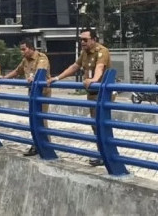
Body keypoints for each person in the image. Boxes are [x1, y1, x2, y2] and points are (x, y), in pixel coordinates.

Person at [47, 28, 111, 167]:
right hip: (92, 94)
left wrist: (93, 79)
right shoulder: (84, 53)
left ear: (94, 40)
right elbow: (74, 67)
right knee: (96, 125)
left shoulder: (102, 51)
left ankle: (107, 155)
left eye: (85, 39)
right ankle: (103, 154)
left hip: (102, 94)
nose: (82, 42)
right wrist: (57, 78)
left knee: (101, 125)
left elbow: (100, 67)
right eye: (81, 39)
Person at [0, 39, 51, 156]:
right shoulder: (25, 60)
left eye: (24, 49)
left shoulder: (41, 58)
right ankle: (36, 144)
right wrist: (4, 78)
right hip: (32, 92)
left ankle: (46, 146)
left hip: (42, 93)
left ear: (31, 48)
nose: (22, 52)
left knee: (41, 118)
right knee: (33, 119)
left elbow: (41, 70)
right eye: (21, 49)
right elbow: (17, 71)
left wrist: (34, 77)